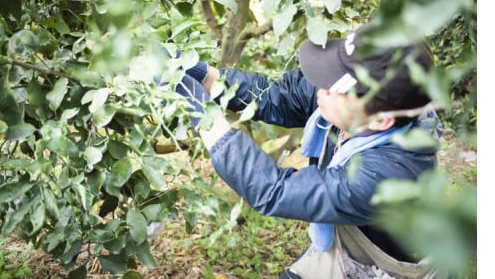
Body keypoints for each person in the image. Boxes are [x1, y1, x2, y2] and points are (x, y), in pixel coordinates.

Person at [174, 23, 444, 278]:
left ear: (380, 120)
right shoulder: (362, 105)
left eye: (335, 87)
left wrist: (202, 113)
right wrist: (203, 74)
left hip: (382, 265)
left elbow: (273, 190)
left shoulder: (386, 175)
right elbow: (278, 96)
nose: (321, 88)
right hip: (345, 237)